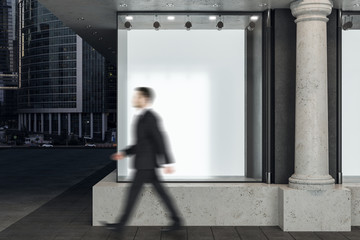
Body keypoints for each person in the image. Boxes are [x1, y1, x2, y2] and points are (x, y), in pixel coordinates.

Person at [104, 87, 183, 233]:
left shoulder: (150, 118)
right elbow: (141, 144)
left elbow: (160, 139)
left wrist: (167, 162)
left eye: (137, 97)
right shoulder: (141, 117)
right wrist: (125, 153)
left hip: (146, 164)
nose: (134, 99)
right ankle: (177, 220)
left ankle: (120, 225)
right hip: (146, 163)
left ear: (145, 99)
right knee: (159, 193)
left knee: (133, 194)